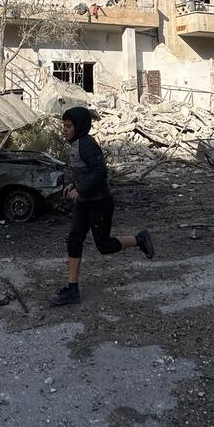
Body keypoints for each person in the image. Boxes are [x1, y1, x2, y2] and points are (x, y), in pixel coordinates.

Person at [50, 106, 154, 306]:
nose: (65, 130)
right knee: (74, 239)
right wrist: (73, 184)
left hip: (100, 203)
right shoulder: (75, 144)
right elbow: (84, 172)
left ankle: (140, 239)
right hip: (84, 203)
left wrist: (79, 189)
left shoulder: (87, 145)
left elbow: (99, 172)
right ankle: (72, 289)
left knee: (104, 246)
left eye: (69, 126)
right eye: (64, 126)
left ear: (79, 127)